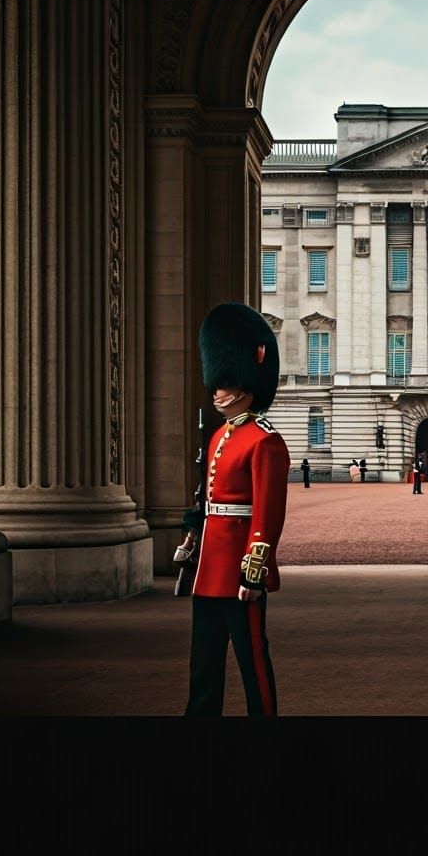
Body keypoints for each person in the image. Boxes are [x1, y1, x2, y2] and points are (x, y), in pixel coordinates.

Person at [174, 301, 290, 717]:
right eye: (216, 381)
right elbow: (206, 499)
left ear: (248, 376)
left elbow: (268, 515)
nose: (217, 389)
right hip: (209, 567)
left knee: (253, 658)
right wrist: (193, 533)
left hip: (240, 567)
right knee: (203, 662)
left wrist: (254, 570)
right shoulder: (218, 434)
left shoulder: (265, 441)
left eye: (225, 381)